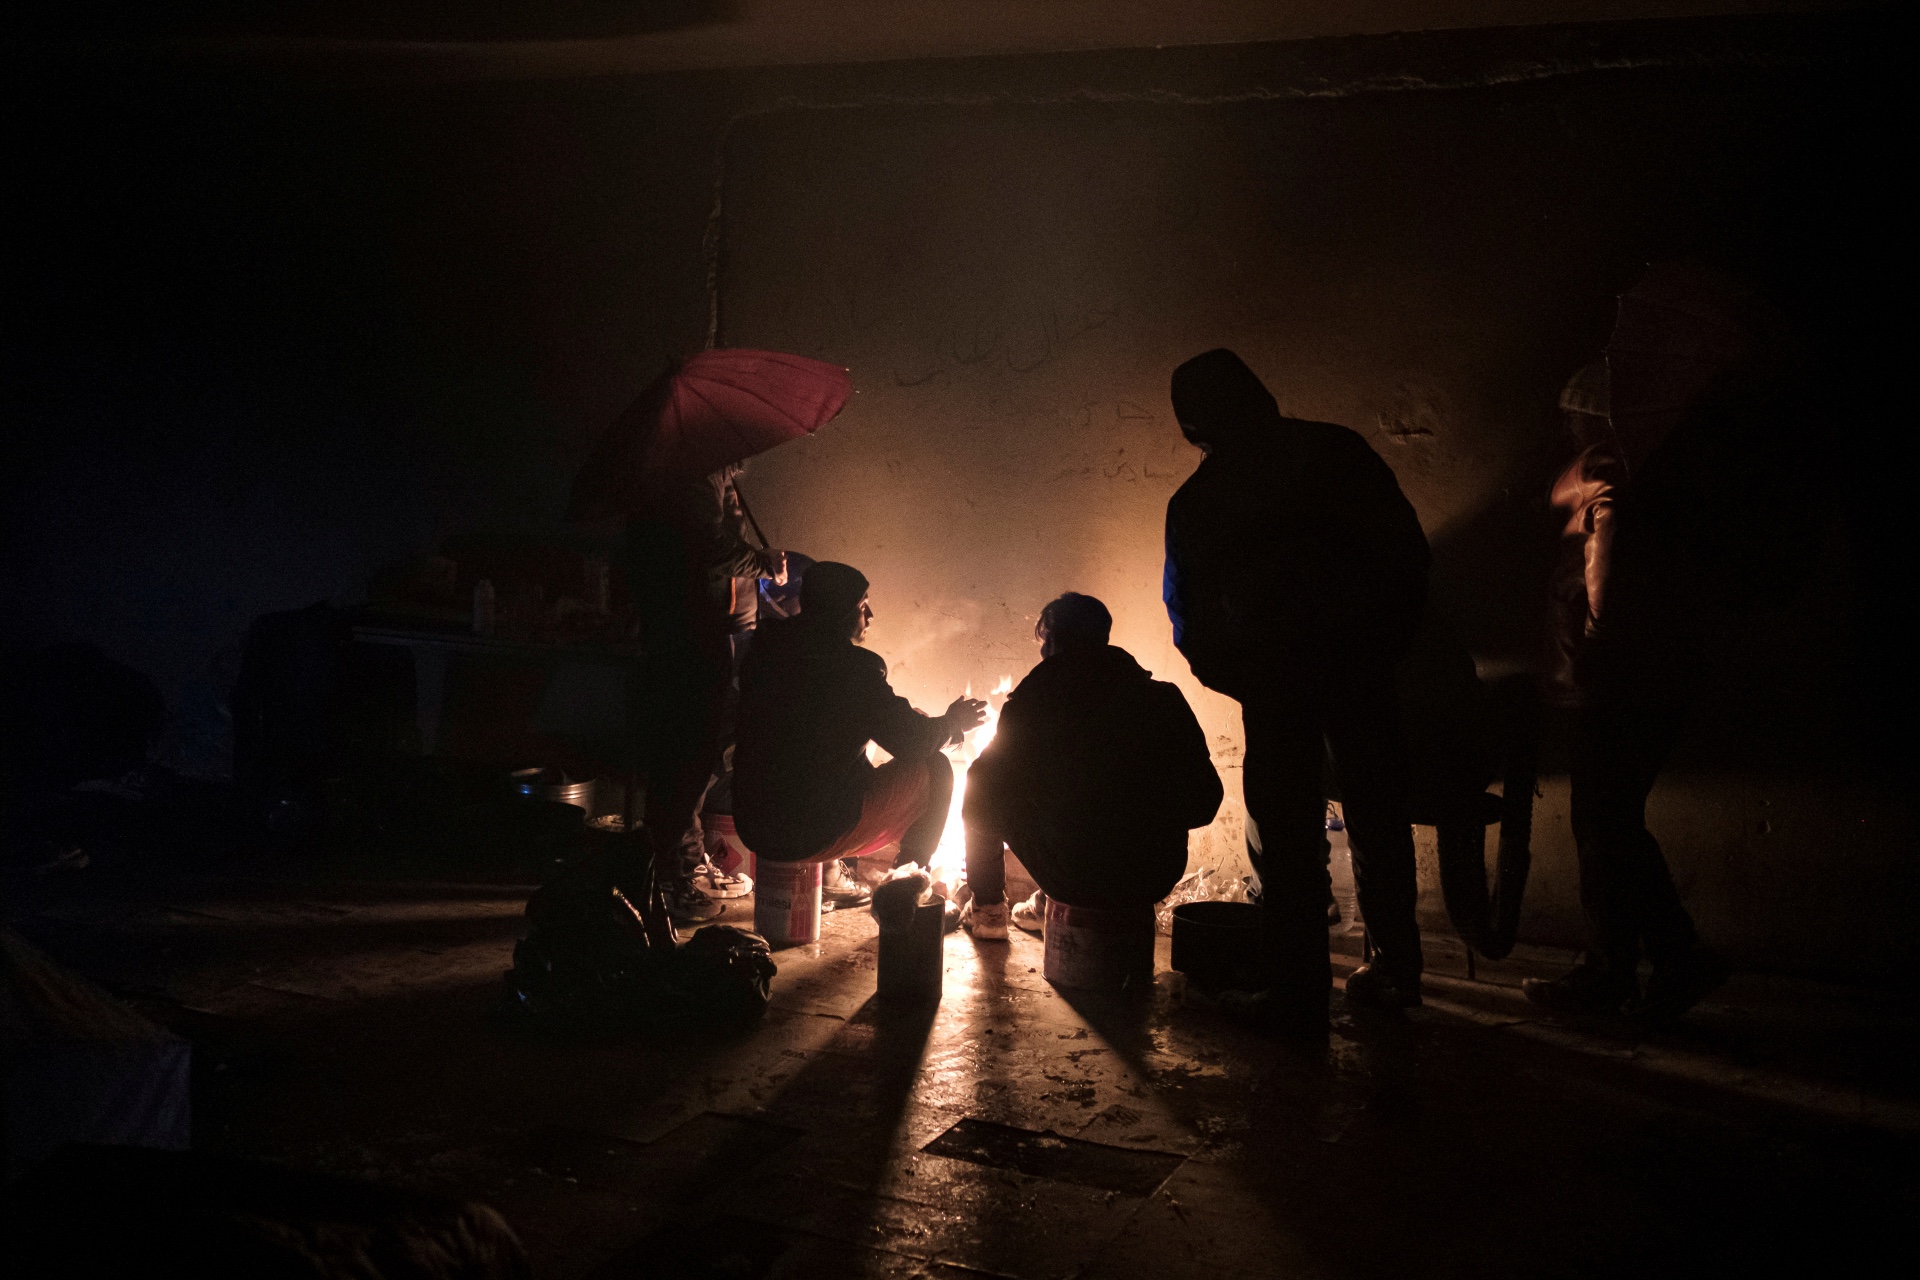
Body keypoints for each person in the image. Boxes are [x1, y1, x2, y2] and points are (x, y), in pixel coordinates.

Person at [1162, 349, 1430, 1030]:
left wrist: (1248, 678)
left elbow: (1190, 620)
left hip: (1277, 685)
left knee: (1285, 840)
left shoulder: (1199, 501)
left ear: (1193, 423)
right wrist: (1383, 648)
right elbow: (1406, 555)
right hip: (1361, 669)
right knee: (1377, 819)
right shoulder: (1336, 452)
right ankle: (1395, 971)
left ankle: (1296, 991)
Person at [957, 593, 1222, 940]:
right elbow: (1206, 802)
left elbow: (982, 798)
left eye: (1044, 640)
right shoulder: (1163, 698)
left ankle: (990, 912)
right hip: (1153, 875)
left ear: (1051, 640)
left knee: (980, 783)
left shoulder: (1032, 706)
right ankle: (1046, 901)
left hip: (1071, 876)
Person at [732, 562, 986, 871]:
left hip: (755, 827)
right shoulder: (854, 669)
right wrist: (953, 724)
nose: (870, 615)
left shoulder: (764, 652)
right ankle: (907, 882)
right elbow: (913, 742)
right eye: (863, 605)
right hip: (809, 835)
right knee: (937, 767)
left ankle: (837, 874)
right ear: (840, 612)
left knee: (841, 767)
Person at [622, 463, 787, 923]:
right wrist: (760, 562)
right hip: (692, 639)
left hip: (712, 635)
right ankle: (674, 878)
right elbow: (708, 550)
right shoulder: (694, 480)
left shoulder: (715, 478)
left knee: (703, 754)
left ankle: (688, 862)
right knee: (688, 755)